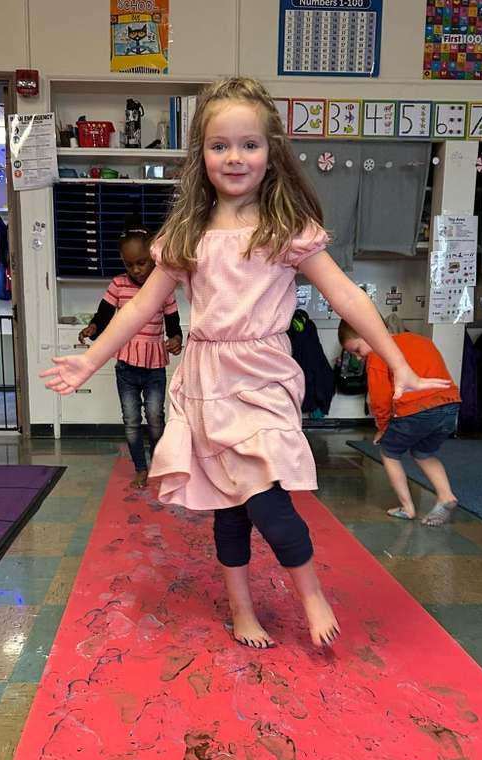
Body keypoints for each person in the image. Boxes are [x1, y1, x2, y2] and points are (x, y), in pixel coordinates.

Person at [41, 77, 450, 648]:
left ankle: (310, 591)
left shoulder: (287, 228)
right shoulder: (187, 233)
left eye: (249, 144)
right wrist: (90, 360)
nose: (235, 157)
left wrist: (397, 361)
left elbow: (347, 296)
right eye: (219, 145)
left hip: (262, 378)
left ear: (271, 152)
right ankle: (241, 609)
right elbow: (141, 307)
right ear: (201, 154)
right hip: (207, 380)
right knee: (228, 505)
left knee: (266, 496)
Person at [78, 223, 183, 488]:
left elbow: (173, 322)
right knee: (132, 419)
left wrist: (176, 339)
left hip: (154, 366)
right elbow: (103, 315)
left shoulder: (163, 286)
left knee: (156, 416)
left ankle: (159, 464)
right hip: (125, 367)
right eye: (129, 265)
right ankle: (140, 468)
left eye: (142, 263)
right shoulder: (118, 285)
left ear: (153, 258)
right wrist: (93, 327)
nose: (136, 270)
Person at [338, 319, 461, 526]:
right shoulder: (422, 341)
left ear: (370, 332)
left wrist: (383, 428)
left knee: (389, 452)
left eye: (358, 349)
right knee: (423, 453)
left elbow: (379, 397)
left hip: (417, 409)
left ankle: (407, 508)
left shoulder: (379, 352)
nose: (359, 357)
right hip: (450, 406)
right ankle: (445, 495)